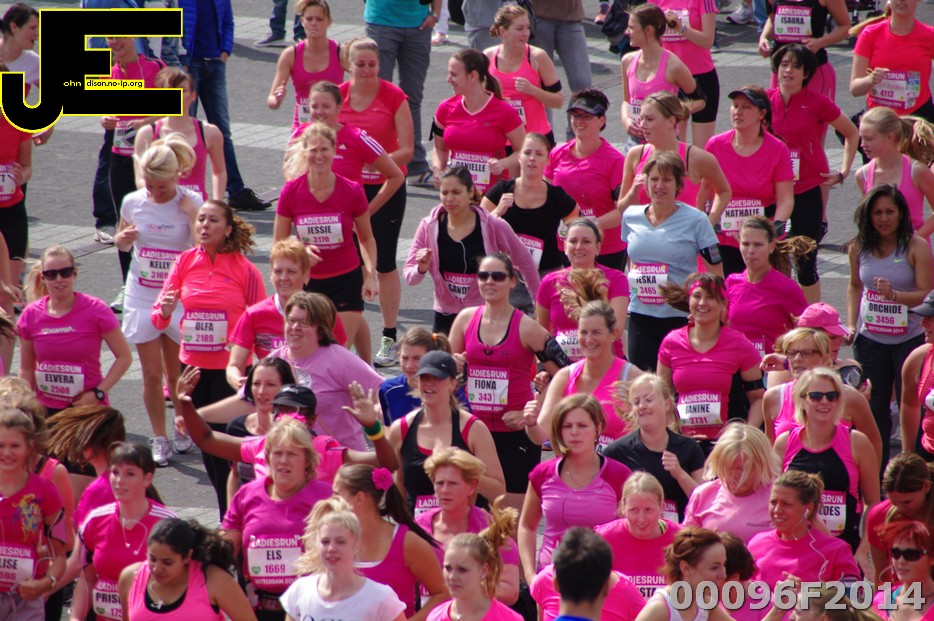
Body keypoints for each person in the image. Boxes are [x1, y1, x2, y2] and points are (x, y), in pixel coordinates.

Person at [151, 200, 265, 514]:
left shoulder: (245, 269)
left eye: (213, 220)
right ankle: (227, 512)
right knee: (206, 447)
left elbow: (262, 321)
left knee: (227, 449)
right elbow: (157, 319)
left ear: (227, 229)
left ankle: (236, 512)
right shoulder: (185, 262)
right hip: (193, 370)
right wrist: (165, 311)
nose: (204, 225)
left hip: (231, 372)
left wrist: (266, 370)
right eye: (201, 219)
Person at [449, 253, 562, 509]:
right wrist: (452, 367)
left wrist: (533, 409)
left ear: (512, 281)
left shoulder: (527, 328)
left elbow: (567, 375)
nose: (490, 281)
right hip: (473, 432)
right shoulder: (465, 320)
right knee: (472, 518)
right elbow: (444, 378)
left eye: (498, 276)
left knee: (510, 520)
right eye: (483, 276)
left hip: (515, 437)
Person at [116, 133, 200, 466]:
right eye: (149, 185)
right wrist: (122, 240)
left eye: (160, 186)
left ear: (176, 175)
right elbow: (122, 243)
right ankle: (159, 437)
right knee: (151, 375)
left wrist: (191, 216)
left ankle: (183, 427)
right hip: (143, 294)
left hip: (178, 298)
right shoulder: (132, 201)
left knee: (176, 373)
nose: (154, 192)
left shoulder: (191, 201)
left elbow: (203, 250)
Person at [177, 368, 397, 488]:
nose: (288, 417)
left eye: (297, 412)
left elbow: (388, 463)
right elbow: (206, 439)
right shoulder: (261, 446)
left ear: (311, 420)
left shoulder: (325, 451)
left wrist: (373, 428)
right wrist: (185, 402)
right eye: (281, 410)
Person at [339, 36, 415, 366]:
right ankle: (345, 338)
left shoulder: (394, 96)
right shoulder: (337, 96)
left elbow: (408, 150)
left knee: (383, 263)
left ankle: (389, 337)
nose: (367, 70)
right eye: (360, 64)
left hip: (386, 187)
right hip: (346, 190)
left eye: (372, 64)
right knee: (348, 264)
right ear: (349, 65)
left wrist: (375, 160)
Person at [276, 122, 379, 362]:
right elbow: (279, 244)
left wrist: (370, 275)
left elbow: (367, 238)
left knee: (335, 353)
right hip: (307, 284)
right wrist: (300, 251)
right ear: (305, 152)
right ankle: (365, 367)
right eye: (313, 150)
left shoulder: (352, 190)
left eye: (324, 149)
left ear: (334, 150)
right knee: (309, 352)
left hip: (345, 280)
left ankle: (364, 371)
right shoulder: (291, 192)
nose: (319, 156)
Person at [847, 185, 932, 470]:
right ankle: (876, 470)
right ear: (868, 216)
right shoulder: (859, 247)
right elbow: (855, 286)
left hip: (910, 339)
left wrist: (895, 296)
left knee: (914, 404)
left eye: (889, 212)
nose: (883, 218)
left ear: (901, 214)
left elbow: (926, 293)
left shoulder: (915, 246)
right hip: (871, 339)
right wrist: (851, 324)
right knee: (874, 408)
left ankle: (917, 468)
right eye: (877, 213)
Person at [767, 48, 859, 304]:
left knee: (805, 262)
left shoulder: (817, 102)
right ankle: (774, 313)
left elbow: (852, 133)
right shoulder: (763, 101)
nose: (788, 70)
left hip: (806, 189)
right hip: (771, 190)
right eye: (784, 64)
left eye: (796, 66)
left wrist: (843, 171)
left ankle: (812, 318)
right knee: (770, 258)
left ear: (806, 73)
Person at [404, 165, 539, 334]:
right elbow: (410, 277)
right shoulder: (428, 226)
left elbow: (525, 260)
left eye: (456, 192)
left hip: (485, 312)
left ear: (470, 192)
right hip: (445, 314)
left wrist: (538, 303)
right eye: (444, 193)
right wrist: (421, 268)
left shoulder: (492, 225)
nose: (449, 198)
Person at [221, 417, 332, 620]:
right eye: (277, 453)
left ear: (307, 460)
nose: (283, 460)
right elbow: (225, 548)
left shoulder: (325, 496)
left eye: (292, 454)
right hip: (257, 608)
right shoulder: (247, 494)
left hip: (310, 608)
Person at [620, 152, 722, 372]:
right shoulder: (630, 216)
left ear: (678, 185)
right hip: (640, 315)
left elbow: (716, 273)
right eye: (654, 179)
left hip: (680, 316)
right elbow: (630, 259)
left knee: (678, 383)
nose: (659, 186)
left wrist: (715, 314)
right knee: (642, 383)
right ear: (646, 183)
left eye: (666, 180)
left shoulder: (697, 220)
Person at [518, 394, 631, 581]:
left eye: (582, 425)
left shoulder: (619, 475)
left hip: (603, 581)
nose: (574, 432)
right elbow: (527, 526)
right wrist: (530, 576)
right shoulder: (542, 473)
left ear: (598, 428)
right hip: (551, 581)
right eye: (567, 426)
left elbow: (631, 532)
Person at [387, 350, 506, 515]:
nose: (429, 384)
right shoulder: (400, 429)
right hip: (419, 528)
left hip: (465, 528)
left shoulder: (474, 429)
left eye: (437, 378)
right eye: (424, 378)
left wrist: (466, 470)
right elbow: (399, 483)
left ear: (452, 384)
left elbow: (498, 491)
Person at [178, 0, 271, 211]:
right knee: (184, 131)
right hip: (190, 63)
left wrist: (225, 50)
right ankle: (181, 190)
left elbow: (228, 21)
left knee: (222, 132)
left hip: (215, 62)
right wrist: (182, 60)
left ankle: (235, 191)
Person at [18, 246, 132, 414]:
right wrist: (24, 407)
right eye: (51, 274)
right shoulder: (31, 315)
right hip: (46, 410)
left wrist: (98, 393)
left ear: (75, 273)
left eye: (65, 272)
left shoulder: (96, 310)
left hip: (87, 408)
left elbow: (124, 357)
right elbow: (26, 369)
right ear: (43, 277)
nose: (59, 279)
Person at [774, 368, 880, 549]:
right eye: (815, 396)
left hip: (845, 548)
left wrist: (863, 551)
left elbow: (874, 505)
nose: (824, 401)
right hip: (796, 548)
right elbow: (773, 501)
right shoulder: (784, 443)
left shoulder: (857, 442)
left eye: (832, 396)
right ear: (802, 400)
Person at [658, 272, 764, 447]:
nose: (702, 303)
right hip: (683, 444)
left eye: (710, 297)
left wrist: (744, 438)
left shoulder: (740, 345)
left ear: (723, 304)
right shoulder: (671, 342)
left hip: (727, 445)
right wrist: (674, 435)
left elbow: (758, 399)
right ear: (689, 300)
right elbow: (662, 398)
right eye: (697, 296)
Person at [73, 443, 175, 621]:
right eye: (115, 472)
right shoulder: (95, 520)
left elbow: (184, 582)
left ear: (147, 479)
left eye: (130, 474)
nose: (120, 480)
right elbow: (87, 577)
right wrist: (75, 617)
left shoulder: (168, 524)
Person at [227, 239, 346, 391]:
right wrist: (239, 382)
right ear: (271, 275)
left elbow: (343, 362)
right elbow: (234, 366)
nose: (284, 278)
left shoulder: (324, 313)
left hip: (314, 395)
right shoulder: (254, 315)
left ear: (306, 275)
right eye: (278, 272)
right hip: (270, 396)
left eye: (291, 272)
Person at [332, 464, 448, 621]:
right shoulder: (331, 541)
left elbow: (442, 594)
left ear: (359, 498)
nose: (330, 502)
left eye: (336, 495)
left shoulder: (407, 542)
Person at [481, 133, 578, 312]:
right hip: (507, 277)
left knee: (543, 328)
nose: (532, 158)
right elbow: (478, 228)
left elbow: (577, 226)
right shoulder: (501, 191)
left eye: (539, 154)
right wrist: (497, 212)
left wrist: (568, 246)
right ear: (519, 157)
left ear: (547, 161)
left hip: (546, 276)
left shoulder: (557, 197)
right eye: (527, 153)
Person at [702, 90, 795, 277]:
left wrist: (773, 230)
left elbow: (786, 199)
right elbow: (704, 191)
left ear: (761, 114)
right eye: (735, 106)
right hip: (724, 238)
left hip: (761, 240)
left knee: (765, 290)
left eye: (746, 107)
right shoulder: (715, 145)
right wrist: (703, 224)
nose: (738, 111)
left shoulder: (777, 149)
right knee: (725, 291)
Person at [758, 327, 883, 463]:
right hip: (788, 476)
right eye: (792, 353)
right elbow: (770, 450)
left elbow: (873, 442)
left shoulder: (850, 397)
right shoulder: (772, 397)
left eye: (807, 353)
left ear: (825, 358)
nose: (797, 359)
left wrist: (870, 475)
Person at [529, 300, 640, 451]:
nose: (588, 340)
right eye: (583, 332)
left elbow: (655, 433)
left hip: (617, 466)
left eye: (596, 332)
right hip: (570, 465)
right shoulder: (564, 377)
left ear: (613, 333)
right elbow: (540, 436)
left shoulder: (632, 378)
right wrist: (531, 423)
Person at [417, 448, 520, 605]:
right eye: (439, 483)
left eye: (452, 484)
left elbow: (510, 590)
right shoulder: (417, 527)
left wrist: (460, 586)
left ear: (472, 487)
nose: (444, 490)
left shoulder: (492, 528)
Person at [616, 91, 731, 224]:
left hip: (685, 235)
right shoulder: (635, 155)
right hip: (646, 234)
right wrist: (633, 192)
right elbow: (622, 210)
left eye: (649, 119)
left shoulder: (696, 157)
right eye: (641, 118)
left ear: (670, 122)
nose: (642, 124)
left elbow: (724, 191)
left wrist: (707, 225)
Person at [282, 502, 406, 621]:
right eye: (325, 542)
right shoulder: (300, 591)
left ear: (357, 545)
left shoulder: (380, 598)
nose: (331, 548)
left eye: (340, 542)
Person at [604, 375, 705, 521]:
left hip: (681, 531)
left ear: (667, 404)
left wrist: (680, 474)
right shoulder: (616, 452)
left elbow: (704, 502)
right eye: (636, 402)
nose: (642, 406)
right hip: (635, 530)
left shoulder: (689, 448)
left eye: (648, 400)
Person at [546, 90, 627, 270]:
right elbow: (545, 196)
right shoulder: (557, 154)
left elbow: (622, 211)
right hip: (566, 245)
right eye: (575, 115)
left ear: (601, 120)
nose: (579, 121)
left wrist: (591, 225)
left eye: (586, 116)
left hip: (606, 249)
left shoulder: (615, 161)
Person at [363, 0, 440, 187]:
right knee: (378, 98)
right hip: (381, 22)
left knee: (411, 100)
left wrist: (435, 14)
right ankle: (376, 164)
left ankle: (415, 167)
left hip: (418, 24)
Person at [119, 518, 256, 621]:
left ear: (187, 557)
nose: (157, 568)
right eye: (152, 559)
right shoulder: (130, 578)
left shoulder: (214, 580)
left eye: (167, 562)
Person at [0, 409, 67, 621]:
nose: (7, 453)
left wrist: (45, 584)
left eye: (15, 446)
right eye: (0, 445)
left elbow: (60, 556)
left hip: (26, 603)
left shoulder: (46, 492)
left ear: (30, 447)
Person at [431, 49, 525, 195]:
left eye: (454, 75)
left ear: (473, 76)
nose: (448, 79)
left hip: (492, 195)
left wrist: (502, 163)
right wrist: (437, 170)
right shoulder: (445, 108)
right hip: (457, 195)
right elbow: (440, 148)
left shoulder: (504, 111)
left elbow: (523, 150)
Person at [747, 470, 860, 587]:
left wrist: (806, 592)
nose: (777, 510)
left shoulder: (836, 550)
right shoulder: (756, 544)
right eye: (773, 502)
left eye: (786, 504)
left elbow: (853, 595)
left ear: (808, 509)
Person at [534, 220, 628, 361]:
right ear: (565, 247)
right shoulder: (549, 282)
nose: (579, 247)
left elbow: (616, 330)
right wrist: (547, 369)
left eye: (586, 242)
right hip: (561, 366)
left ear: (598, 247)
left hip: (606, 364)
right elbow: (542, 336)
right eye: (573, 241)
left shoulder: (616, 279)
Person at [135, 67, 227, 201]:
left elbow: (219, 171)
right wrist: (157, 198)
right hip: (161, 205)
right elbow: (140, 177)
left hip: (196, 206)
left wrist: (217, 204)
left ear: (193, 95)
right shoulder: (147, 134)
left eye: (182, 90)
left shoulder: (210, 132)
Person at [725, 217, 809, 357]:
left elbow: (807, 331)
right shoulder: (731, 282)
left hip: (772, 366)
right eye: (745, 244)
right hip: (737, 363)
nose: (751, 251)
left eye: (758, 245)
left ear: (771, 247)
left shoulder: (786, 288)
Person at [427, 500, 522, 621]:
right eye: (448, 568)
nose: (452, 577)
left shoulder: (508, 618)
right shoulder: (435, 617)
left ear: (484, 571)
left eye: (462, 570)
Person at [619, 5, 701, 147]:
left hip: (665, 144)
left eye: (631, 27)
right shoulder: (628, 61)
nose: (627, 32)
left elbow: (700, 100)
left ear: (648, 30)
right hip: (635, 143)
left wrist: (671, 113)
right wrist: (626, 119)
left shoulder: (673, 65)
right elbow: (627, 101)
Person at [683, 423, 778, 543]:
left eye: (742, 469)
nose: (734, 476)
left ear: (762, 464)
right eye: (728, 468)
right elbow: (686, 545)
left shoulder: (778, 496)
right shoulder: (703, 494)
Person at [593, 472, 682, 598]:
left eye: (648, 510)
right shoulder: (603, 538)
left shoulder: (681, 539)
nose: (641, 519)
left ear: (662, 507)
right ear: (623, 508)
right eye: (633, 510)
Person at [484, 5, 563, 141]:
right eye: (520, 29)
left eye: (528, 28)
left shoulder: (538, 57)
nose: (526, 33)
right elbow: (479, 97)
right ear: (503, 31)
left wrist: (532, 90)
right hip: (500, 138)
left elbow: (558, 101)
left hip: (535, 139)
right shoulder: (488, 56)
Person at [849, 0, 934, 122]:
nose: (901, 0)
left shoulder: (929, 35)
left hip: (917, 118)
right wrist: (870, 80)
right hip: (879, 120)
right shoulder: (870, 34)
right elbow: (855, 89)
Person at [855, 108, 934, 238]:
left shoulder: (917, 171)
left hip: (913, 248)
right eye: (861, 139)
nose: (863, 144)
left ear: (890, 137)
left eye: (869, 139)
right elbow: (870, 216)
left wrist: (915, 239)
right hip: (880, 248)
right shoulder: (862, 175)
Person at [265, 0, 343, 129]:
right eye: (309, 19)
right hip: (302, 128)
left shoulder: (340, 52)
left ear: (329, 22)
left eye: (319, 19)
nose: (313, 23)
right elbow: (271, 100)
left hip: (333, 128)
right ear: (302, 22)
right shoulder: (290, 55)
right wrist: (277, 99)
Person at [653, 0, 718, 148]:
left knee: (702, 150)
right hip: (671, 80)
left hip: (702, 77)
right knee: (674, 149)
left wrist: (682, 28)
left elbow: (708, 41)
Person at [862, 453, 934, 585]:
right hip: (902, 593)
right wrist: (881, 599)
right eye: (894, 502)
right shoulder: (879, 515)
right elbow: (882, 577)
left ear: (926, 487)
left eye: (907, 502)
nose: (900, 508)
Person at [633, 527, 732, 621]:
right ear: (685, 568)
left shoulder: (705, 605)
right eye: (714, 568)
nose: (723, 575)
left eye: (724, 565)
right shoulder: (659, 609)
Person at [758, 0, 850, 100]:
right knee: (778, 109)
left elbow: (845, 27)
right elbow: (772, 19)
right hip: (782, 71)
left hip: (814, 70)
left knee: (815, 110)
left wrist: (820, 42)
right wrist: (764, 37)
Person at [379, 327, 464, 425]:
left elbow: (468, 426)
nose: (409, 365)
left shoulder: (448, 388)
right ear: (398, 356)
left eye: (417, 358)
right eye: (405, 358)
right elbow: (387, 429)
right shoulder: (388, 389)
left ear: (431, 357)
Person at [899, 291, 934, 458]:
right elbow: (909, 405)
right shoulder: (918, 358)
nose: (922, 324)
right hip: (928, 456)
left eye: (930, 318)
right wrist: (907, 454)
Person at [875, 520, 934, 619]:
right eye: (896, 553)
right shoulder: (880, 601)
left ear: (932, 558)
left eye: (911, 554)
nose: (901, 561)